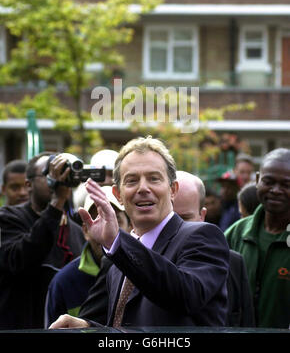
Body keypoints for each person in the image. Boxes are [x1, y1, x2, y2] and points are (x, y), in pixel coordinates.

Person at [49, 136, 229, 330]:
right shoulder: (117, 256)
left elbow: (185, 297)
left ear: (173, 190)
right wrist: (88, 326)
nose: (143, 188)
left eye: (154, 178)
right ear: (118, 195)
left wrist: (117, 242)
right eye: (132, 180)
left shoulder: (203, 236)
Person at [0, 152, 85, 329]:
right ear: (28, 184)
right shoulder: (8, 218)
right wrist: (57, 202)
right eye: (49, 174)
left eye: (62, 172)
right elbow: (21, 259)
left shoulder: (78, 231)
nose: (57, 180)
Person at [173, 170, 255, 327]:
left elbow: (246, 323)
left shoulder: (233, 263)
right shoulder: (139, 263)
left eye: (184, 219)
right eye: (169, 218)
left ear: (202, 215)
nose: (175, 228)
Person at [45, 186, 130, 327]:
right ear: (85, 230)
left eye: (116, 220)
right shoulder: (63, 282)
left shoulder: (141, 274)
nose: (107, 230)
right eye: (97, 220)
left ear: (130, 226)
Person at [225, 148, 290, 329]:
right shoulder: (236, 233)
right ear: (257, 180)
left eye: (286, 185)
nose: (276, 190)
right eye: (268, 182)